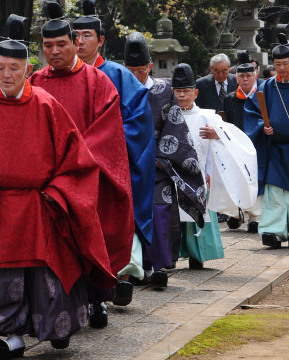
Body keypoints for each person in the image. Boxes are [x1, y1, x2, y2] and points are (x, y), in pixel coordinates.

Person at [0, 14, 116, 359]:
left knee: (46, 276)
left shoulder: (48, 105)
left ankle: (55, 330)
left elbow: (77, 160)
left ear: (27, 67)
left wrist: (57, 194)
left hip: (39, 204)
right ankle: (9, 337)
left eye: (14, 68)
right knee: (4, 278)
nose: (7, 75)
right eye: (0, 68)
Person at [30, 0, 134, 329]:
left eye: (61, 44)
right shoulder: (34, 82)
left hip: (87, 176)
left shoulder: (97, 81)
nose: (55, 51)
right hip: (48, 180)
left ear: (74, 43)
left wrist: (72, 162)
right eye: (48, 45)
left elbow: (107, 133)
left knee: (91, 238)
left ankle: (97, 301)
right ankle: (60, 308)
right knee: (56, 245)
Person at [73, 1, 155, 312]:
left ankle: (118, 277)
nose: (80, 42)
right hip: (74, 168)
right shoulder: (54, 77)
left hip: (110, 167)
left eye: (87, 35)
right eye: (76, 35)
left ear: (101, 40)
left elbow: (138, 123)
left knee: (112, 222)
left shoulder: (119, 75)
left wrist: (105, 149)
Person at [123, 33, 205, 284]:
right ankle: (131, 268)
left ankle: (158, 267)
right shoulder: (116, 87)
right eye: (131, 70)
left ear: (149, 66)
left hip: (157, 164)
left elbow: (174, 127)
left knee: (159, 213)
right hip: (124, 163)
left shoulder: (163, 90)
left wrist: (158, 157)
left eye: (140, 69)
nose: (136, 75)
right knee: (127, 217)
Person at [173, 64, 257, 269]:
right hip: (172, 174)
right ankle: (170, 256)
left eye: (186, 91)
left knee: (198, 214)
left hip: (201, 175)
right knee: (172, 216)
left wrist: (217, 134)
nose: (182, 95)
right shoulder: (167, 116)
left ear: (196, 92)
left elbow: (235, 139)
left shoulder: (208, 117)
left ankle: (197, 255)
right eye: (178, 91)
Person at [243, 33, 289, 248]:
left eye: (286, 64)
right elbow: (252, 111)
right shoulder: (267, 87)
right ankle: (272, 230)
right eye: (278, 64)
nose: (281, 68)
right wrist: (263, 126)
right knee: (275, 191)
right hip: (276, 147)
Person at [222, 63, 261, 233]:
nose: (245, 79)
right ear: (236, 77)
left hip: (256, 143)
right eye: (241, 76)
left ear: (255, 76)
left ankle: (255, 217)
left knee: (255, 178)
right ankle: (235, 214)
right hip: (234, 144)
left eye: (249, 75)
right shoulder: (230, 98)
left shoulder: (261, 96)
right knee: (235, 177)